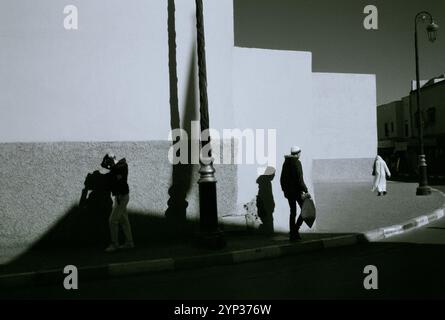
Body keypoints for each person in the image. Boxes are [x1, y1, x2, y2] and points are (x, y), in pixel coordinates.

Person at [102, 153, 135, 252]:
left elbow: (115, 169)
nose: (108, 165)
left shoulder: (122, 166)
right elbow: (105, 166)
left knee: (112, 220)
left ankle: (114, 244)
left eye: (109, 162)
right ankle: (129, 242)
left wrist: (109, 163)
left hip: (122, 197)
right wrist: (106, 162)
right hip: (119, 197)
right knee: (124, 220)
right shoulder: (116, 168)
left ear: (113, 160)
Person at [280, 146, 310, 241]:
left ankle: (293, 234)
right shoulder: (297, 163)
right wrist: (306, 190)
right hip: (297, 192)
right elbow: (300, 180)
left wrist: (285, 191)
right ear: (298, 153)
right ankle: (295, 230)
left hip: (289, 193)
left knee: (292, 212)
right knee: (304, 211)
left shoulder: (286, 163)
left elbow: (282, 179)